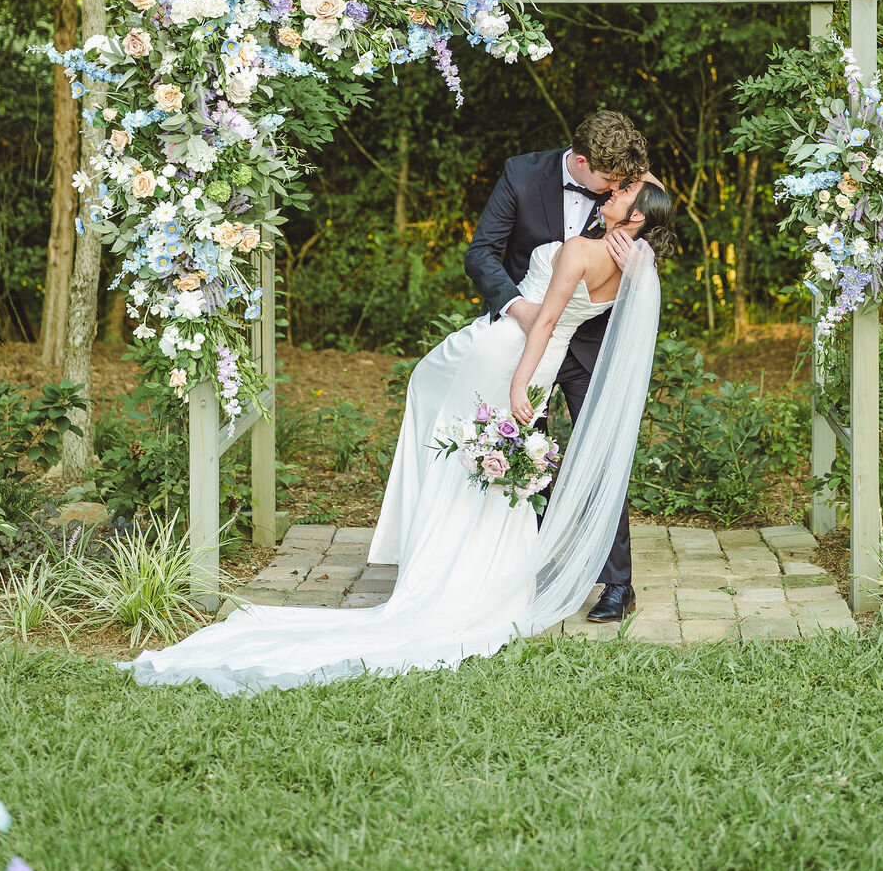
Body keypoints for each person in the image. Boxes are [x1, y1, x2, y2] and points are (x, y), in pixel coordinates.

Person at [120, 180, 673, 695]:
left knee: (467, 451)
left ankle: (441, 577)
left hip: (509, 353)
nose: (613, 187)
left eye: (625, 190)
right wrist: (638, 228)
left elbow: (546, 321)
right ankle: (486, 580)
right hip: (539, 361)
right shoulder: (635, 269)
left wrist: (520, 383)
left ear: (636, 216)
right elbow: (632, 221)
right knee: (488, 461)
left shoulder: (581, 250)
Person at [463, 110, 659, 621]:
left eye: (623, 183)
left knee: (602, 454)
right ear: (579, 162)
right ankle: (531, 567)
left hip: (593, 340)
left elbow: (657, 211)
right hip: (531, 336)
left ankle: (617, 584)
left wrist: (645, 255)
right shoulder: (522, 174)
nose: (616, 188)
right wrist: (519, 309)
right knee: (527, 455)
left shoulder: (625, 177)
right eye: (609, 181)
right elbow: (482, 253)